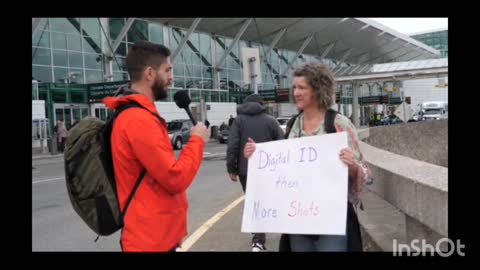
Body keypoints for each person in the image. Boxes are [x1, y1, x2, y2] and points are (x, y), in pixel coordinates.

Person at [244, 63, 371, 252]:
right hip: (299, 219)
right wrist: (256, 156)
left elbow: (366, 173)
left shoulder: (338, 123)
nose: (296, 92)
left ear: (318, 90)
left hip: (331, 219)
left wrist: (352, 166)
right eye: (295, 87)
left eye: (302, 87)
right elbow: (280, 166)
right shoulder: (294, 124)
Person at [102, 40, 210, 252]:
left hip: (157, 239)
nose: (171, 77)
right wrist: (196, 140)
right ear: (150, 74)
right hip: (149, 243)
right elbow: (174, 178)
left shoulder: (139, 115)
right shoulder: (138, 119)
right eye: (167, 70)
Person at [226, 94, 284, 251]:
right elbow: (283, 143)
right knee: (267, 200)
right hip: (268, 170)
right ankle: (269, 231)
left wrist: (232, 168)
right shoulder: (270, 120)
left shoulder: (238, 121)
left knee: (253, 201)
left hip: (245, 170)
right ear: (261, 104)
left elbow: (233, 145)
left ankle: (258, 240)